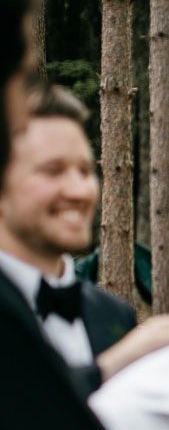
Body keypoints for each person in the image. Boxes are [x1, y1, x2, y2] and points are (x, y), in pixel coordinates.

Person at [0, 85, 134, 394]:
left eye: (85, 171)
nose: (79, 191)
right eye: (53, 171)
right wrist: (106, 369)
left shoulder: (115, 315)